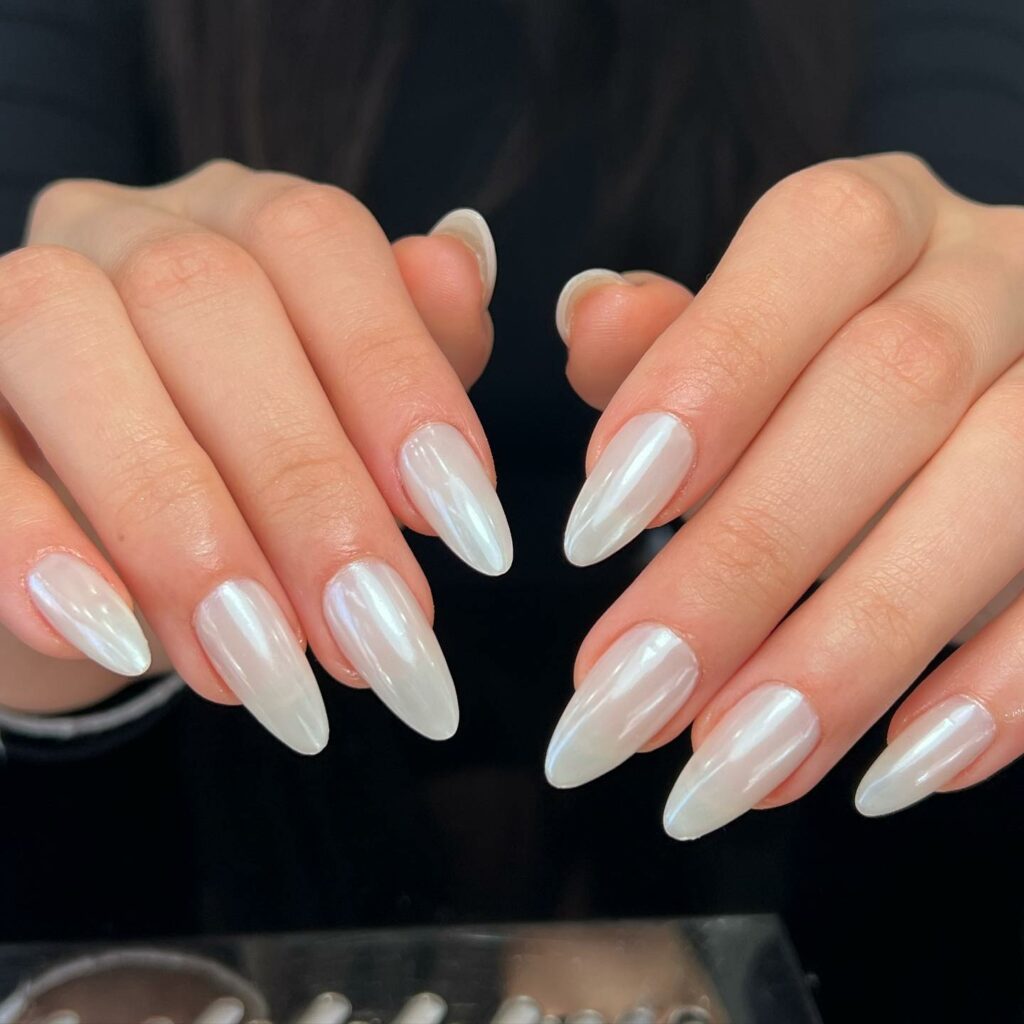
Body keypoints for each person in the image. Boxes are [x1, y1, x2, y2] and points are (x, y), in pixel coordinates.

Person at [1, 2, 1023, 1019]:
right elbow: (31, 231)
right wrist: (52, 576)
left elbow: (971, 187)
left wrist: (970, 371)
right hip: (189, 882)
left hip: (850, 906)